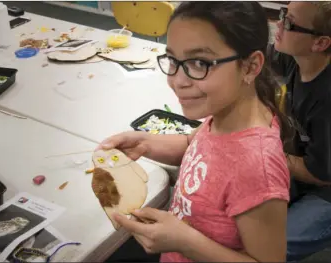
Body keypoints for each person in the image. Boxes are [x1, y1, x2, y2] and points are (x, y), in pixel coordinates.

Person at [100, 2, 292, 262]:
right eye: (172, 60)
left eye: (200, 62)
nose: (177, 80)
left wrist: (186, 242)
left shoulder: (257, 166)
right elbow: (199, 145)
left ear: (250, 66)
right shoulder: (227, 110)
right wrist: (146, 143)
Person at [267, 2, 331, 261]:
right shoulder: (294, 56)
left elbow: (322, 174)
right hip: (305, 167)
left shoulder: (327, 98)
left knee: (269, 247)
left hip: (324, 187)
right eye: (283, 14)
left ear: (320, 43)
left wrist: (268, 149)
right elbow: (249, 56)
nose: (279, 25)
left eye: (290, 22)